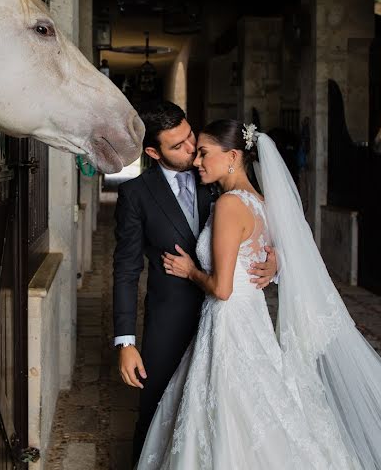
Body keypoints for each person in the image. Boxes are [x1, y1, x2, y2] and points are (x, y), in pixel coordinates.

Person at [136, 119, 381, 470]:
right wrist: (278, 261)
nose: (196, 161)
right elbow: (285, 250)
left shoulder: (228, 206)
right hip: (253, 321)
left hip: (229, 326)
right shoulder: (262, 203)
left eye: (204, 153)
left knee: (229, 411)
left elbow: (222, 289)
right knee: (259, 408)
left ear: (233, 155)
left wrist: (191, 270)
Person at [113, 102, 278, 466]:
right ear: (154, 152)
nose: (191, 151)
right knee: (157, 416)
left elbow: (264, 222)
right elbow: (125, 270)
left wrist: (275, 259)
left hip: (229, 325)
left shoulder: (217, 176)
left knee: (233, 418)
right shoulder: (136, 195)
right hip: (170, 322)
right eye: (179, 146)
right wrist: (125, 341)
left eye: (191, 138)